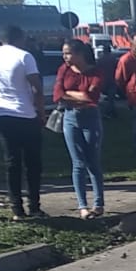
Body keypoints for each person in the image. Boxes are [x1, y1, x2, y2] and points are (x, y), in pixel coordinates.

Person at [0, 25, 46, 220]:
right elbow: (37, 88)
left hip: (2, 114)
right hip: (26, 114)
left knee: (12, 162)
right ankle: (34, 206)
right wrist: (40, 112)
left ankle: (16, 208)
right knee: (33, 163)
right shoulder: (25, 57)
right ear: (19, 38)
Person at [55, 40, 105, 219]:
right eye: (63, 53)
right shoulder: (64, 70)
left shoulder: (95, 71)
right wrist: (76, 97)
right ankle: (82, 206)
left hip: (90, 118)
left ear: (79, 54)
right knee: (78, 163)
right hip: (70, 118)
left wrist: (72, 95)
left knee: (93, 162)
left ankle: (98, 203)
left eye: (68, 53)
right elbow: (58, 94)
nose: (65, 57)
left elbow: (91, 96)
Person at [97, 44, 119, 119]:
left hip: (103, 81)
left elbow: (97, 70)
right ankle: (111, 112)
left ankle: (107, 113)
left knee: (102, 99)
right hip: (112, 81)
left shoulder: (100, 59)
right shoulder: (114, 59)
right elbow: (117, 70)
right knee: (111, 99)